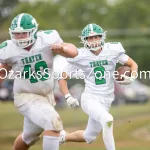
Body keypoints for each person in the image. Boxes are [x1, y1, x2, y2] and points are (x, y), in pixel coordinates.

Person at [0, 13, 79, 150]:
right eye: (16, 34)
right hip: (25, 96)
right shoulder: (9, 49)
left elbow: (74, 52)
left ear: (33, 31)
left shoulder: (47, 39)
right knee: (53, 122)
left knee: (28, 137)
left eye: (23, 33)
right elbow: (2, 72)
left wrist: (62, 48)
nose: (19, 37)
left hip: (46, 97)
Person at [58, 23, 138, 150]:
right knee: (108, 119)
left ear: (102, 37)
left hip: (106, 100)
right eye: (90, 38)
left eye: (96, 37)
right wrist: (68, 96)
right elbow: (62, 78)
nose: (94, 40)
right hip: (90, 98)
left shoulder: (112, 50)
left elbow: (133, 64)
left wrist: (132, 77)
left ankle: (62, 137)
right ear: (85, 40)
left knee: (89, 137)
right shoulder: (80, 55)